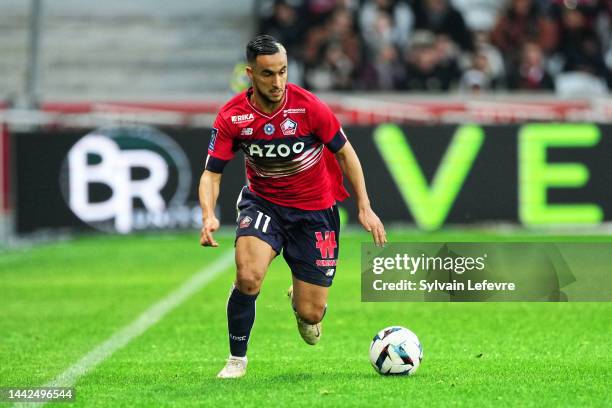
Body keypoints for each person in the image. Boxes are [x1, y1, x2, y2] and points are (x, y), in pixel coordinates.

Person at [199, 34, 386, 379]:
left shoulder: (308, 107)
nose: (278, 81)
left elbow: (345, 152)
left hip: (315, 213)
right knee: (248, 276)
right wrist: (209, 214)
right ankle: (236, 359)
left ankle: (299, 302)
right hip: (264, 204)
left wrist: (365, 206)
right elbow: (211, 173)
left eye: (283, 71)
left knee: (312, 314)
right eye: (268, 74)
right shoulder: (232, 116)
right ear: (250, 74)